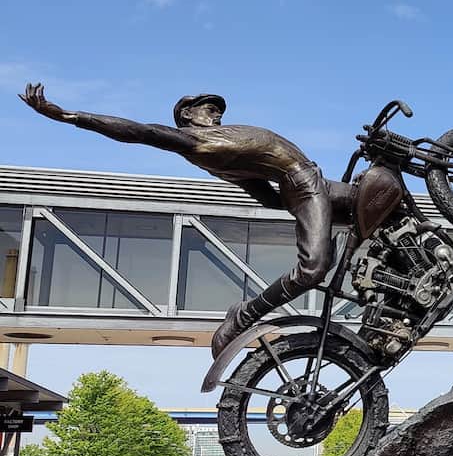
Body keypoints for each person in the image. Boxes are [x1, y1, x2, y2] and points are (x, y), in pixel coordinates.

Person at [20, 83, 347, 356]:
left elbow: (267, 197)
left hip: (309, 183)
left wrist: (316, 208)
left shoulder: (226, 142)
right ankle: (245, 314)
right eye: (207, 108)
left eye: (217, 109)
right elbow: (140, 131)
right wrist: (69, 116)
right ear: (186, 116)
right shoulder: (198, 143)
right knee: (313, 268)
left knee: (384, 197)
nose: (216, 112)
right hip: (304, 184)